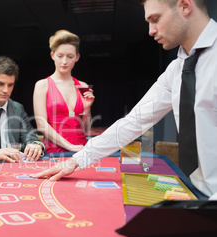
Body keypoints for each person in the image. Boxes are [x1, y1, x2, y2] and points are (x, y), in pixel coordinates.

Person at [33, 0, 217, 198]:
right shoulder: (176, 70)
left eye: (155, 19)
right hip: (198, 191)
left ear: (185, 5)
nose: (151, 30)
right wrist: (75, 161)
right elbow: (134, 122)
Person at [33, 30, 95, 153]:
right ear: (52, 56)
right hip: (54, 152)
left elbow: (86, 128)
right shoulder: (42, 85)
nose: (64, 61)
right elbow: (41, 125)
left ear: (77, 57)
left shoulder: (82, 86)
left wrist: (87, 109)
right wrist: (70, 147)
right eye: (60, 56)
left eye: (70, 56)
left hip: (81, 150)